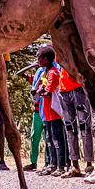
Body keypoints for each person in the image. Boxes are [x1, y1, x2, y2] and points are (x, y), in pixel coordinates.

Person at [56, 65, 95, 179]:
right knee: (70, 129)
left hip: (78, 88)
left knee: (85, 127)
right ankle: (74, 166)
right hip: (63, 89)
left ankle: (89, 166)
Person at [34, 45, 68, 177]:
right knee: (49, 139)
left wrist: (40, 91)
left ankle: (60, 165)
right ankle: (52, 164)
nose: (38, 60)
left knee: (57, 139)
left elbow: (48, 92)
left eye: (39, 58)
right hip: (47, 113)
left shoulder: (53, 72)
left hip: (54, 112)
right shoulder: (46, 73)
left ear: (46, 59)